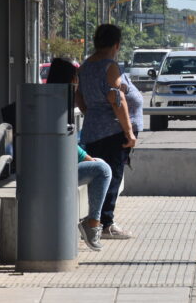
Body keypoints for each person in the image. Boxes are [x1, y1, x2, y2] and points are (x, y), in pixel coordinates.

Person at [76, 24, 143, 240]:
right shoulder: (109, 66)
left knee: (101, 176)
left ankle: (99, 220)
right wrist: (129, 132)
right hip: (114, 132)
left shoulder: (85, 66)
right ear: (116, 45)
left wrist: (92, 115)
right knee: (112, 176)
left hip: (94, 130)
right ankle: (105, 223)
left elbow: (79, 97)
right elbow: (117, 98)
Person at [46, 57, 113, 251]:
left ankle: (93, 223)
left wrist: (87, 157)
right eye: (75, 79)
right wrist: (87, 158)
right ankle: (92, 224)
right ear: (69, 79)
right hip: (54, 170)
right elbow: (65, 140)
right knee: (103, 169)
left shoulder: (51, 99)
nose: (77, 84)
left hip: (52, 165)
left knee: (99, 164)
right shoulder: (57, 103)